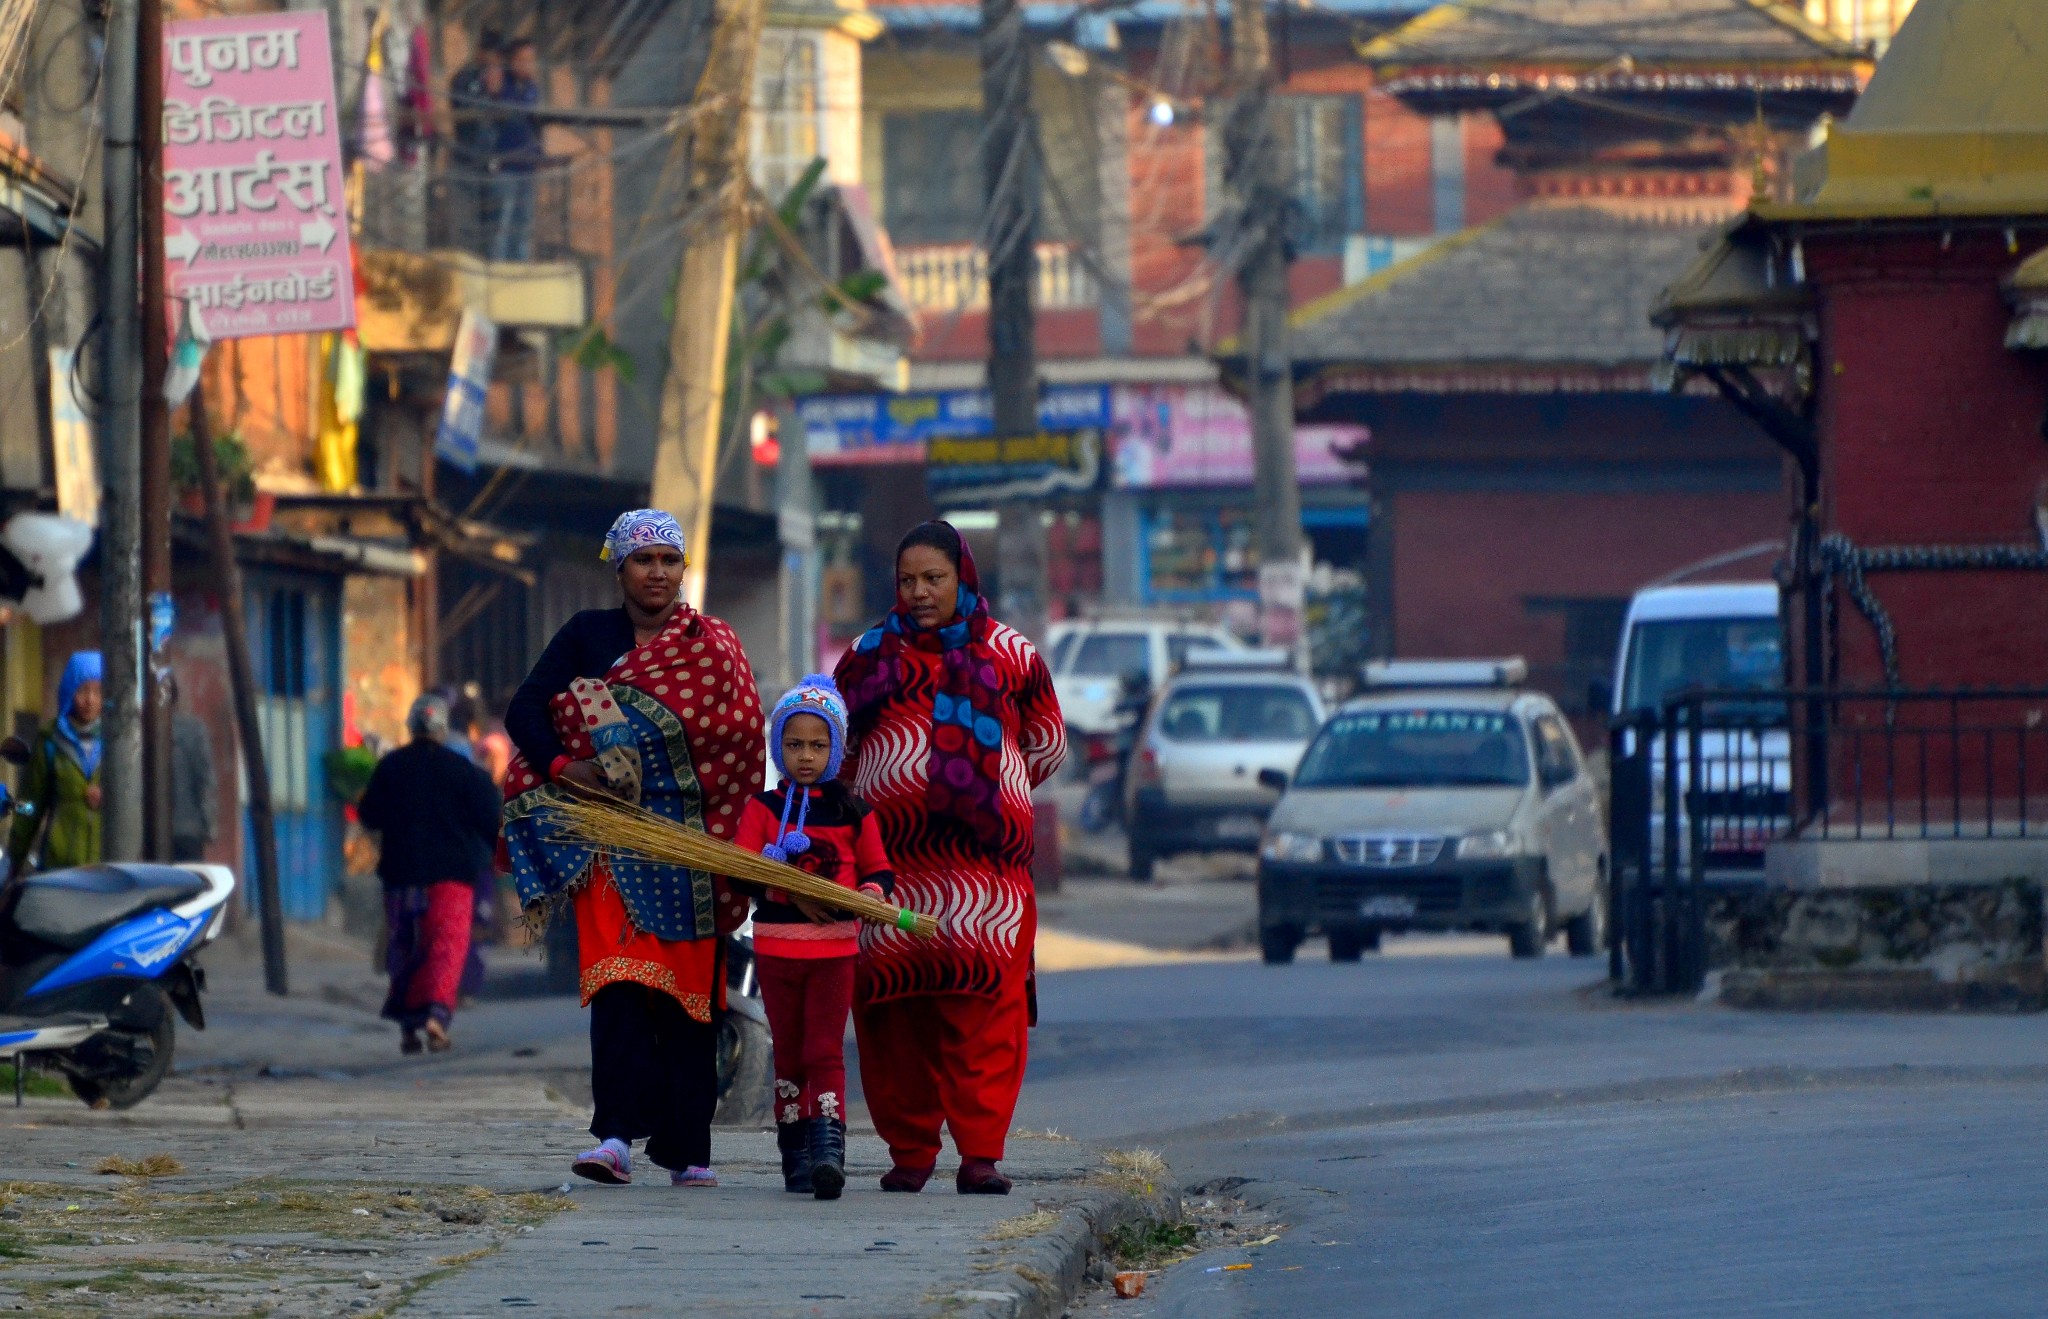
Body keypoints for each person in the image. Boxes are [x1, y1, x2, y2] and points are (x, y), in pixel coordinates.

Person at [500, 509, 762, 1188]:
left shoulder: (713, 644)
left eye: (669, 560)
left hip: (689, 847)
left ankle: (687, 1149)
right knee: (616, 986)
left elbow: (739, 737)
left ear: (682, 569)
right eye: (643, 560)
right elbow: (526, 710)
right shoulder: (587, 635)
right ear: (618, 568)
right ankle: (614, 1135)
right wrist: (566, 768)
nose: (657, 572)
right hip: (612, 841)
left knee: (689, 1002)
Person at [835, 521, 1066, 1194]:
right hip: (888, 874)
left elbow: (1047, 747)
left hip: (984, 880)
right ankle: (909, 1151)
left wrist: (995, 792)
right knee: (893, 1019)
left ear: (962, 577)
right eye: (907, 580)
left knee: (983, 1017)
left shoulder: (1010, 655)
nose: (919, 592)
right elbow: (836, 752)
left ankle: (980, 1155)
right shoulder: (868, 655)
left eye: (933, 578)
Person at [734, 675, 894, 1200]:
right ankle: (794, 1156)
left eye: (818, 745)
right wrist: (789, 890)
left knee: (824, 1051)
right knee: (791, 1056)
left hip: (835, 953)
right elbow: (740, 868)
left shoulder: (854, 812)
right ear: (777, 746)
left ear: (838, 749)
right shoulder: (762, 809)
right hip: (776, 950)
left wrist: (870, 894)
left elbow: (879, 871)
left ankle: (829, 1152)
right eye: (794, 744)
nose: (806, 756)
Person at [357, 694, 501, 1054]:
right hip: (450, 878)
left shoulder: (390, 767)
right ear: (441, 730)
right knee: (446, 945)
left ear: (410, 727)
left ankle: (408, 1026)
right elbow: (490, 820)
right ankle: (436, 1016)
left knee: (403, 944)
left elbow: (369, 815)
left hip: (401, 875)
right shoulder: (464, 771)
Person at [9, 651, 104, 876]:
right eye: (83, 690)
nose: (90, 700)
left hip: (109, 870)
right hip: (60, 871)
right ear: (70, 692)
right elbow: (29, 806)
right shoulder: (51, 741)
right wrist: (12, 862)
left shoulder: (120, 742)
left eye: (99, 691)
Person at [448, 31, 504, 255]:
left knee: (490, 222)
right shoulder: (465, 78)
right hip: (466, 157)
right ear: (482, 52)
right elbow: (462, 107)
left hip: (490, 161)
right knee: (464, 221)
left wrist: (496, 94)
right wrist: (487, 93)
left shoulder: (499, 79)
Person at [490, 39, 542, 261]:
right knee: (502, 226)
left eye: (531, 60)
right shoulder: (502, 85)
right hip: (505, 166)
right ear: (511, 61)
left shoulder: (532, 89)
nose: (527, 65)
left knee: (522, 228)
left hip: (527, 167)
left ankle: (518, 271)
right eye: (522, 60)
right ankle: (498, 270)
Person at [166, 673, 216, 863]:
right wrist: (208, 826)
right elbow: (205, 781)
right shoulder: (194, 731)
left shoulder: (136, 733)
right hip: (189, 831)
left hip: (152, 832)